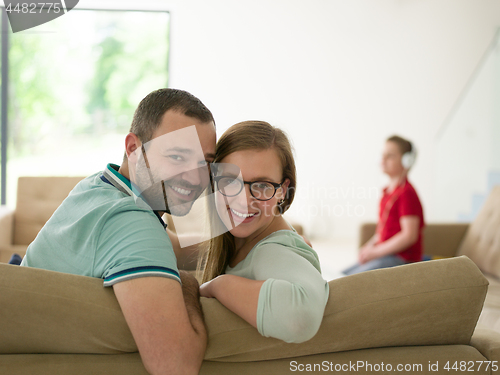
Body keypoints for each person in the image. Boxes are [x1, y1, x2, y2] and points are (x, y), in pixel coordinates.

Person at [21, 88, 216, 375]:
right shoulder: (132, 222)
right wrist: (187, 283)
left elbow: (168, 245)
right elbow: (175, 366)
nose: (195, 177)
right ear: (134, 148)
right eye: (177, 157)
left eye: (205, 162)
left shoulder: (100, 186)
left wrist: (247, 243)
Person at [199, 121, 329, 344]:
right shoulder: (237, 236)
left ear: (282, 190)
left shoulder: (271, 250)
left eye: (262, 185)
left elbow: (301, 318)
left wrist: (218, 285)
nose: (244, 201)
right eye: (230, 181)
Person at [343, 135, 425, 275]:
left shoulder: (407, 193)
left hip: (401, 260)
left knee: (349, 280)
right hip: (386, 255)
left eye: (390, 156)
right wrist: (369, 247)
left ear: (407, 161)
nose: (383, 159)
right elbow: (383, 231)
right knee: (341, 275)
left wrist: (376, 252)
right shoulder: (388, 193)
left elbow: (409, 235)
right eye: (383, 155)